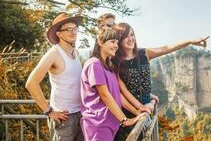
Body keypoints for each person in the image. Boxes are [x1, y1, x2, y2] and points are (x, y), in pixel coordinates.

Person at [113, 22, 209, 140]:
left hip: (147, 104)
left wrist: (189, 41)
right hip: (130, 109)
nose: (130, 39)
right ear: (119, 39)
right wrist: (139, 107)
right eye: (126, 36)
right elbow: (122, 90)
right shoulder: (116, 62)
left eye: (132, 35)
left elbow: (167, 48)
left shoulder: (144, 54)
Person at [26, 12, 84, 141]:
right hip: (63, 118)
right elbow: (31, 83)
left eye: (75, 29)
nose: (73, 32)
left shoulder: (76, 52)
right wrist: (49, 111)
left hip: (80, 113)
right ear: (59, 34)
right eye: (68, 29)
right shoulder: (53, 53)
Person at [80, 28, 146, 141]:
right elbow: (105, 95)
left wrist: (136, 112)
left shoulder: (109, 67)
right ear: (100, 42)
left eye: (116, 42)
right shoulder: (94, 64)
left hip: (111, 123)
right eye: (112, 41)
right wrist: (125, 120)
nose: (116, 45)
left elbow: (117, 95)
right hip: (98, 125)